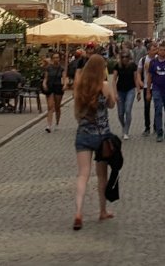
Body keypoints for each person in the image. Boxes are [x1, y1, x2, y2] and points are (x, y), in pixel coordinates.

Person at [70, 54, 117, 230]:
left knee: (83, 174)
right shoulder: (104, 86)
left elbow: (77, 112)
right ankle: (102, 210)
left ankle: (78, 212)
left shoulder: (79, 86)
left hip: (83, 134)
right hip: (102, 136)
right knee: (102, 175)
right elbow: (112, 105)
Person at [114, 51, 138, 140]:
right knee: (120, 113)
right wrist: (115, 93)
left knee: (128, 110)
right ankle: (124, 126)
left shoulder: (133, 66)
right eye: (123, 57)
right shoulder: (117, 66)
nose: (124, 59)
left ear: (129, 57)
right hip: (120, 90)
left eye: (126, 57)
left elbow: (136, 79)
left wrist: (138, 91)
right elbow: (114, 80)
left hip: (130, 90)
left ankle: (126, 131)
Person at [42, 51, 66, 133]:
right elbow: (45, 78)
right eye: (54, 57)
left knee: (57, 106)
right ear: (52, 59)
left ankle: (57, 122)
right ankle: (49, 125)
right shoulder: (48, 68)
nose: (56, 59)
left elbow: (64, 77)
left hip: (58, 87)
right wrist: (44, 84)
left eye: (57, 57)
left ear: (59, 59)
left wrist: (65, 85)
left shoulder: (61, 68)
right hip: (50, 87)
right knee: (50, 106)